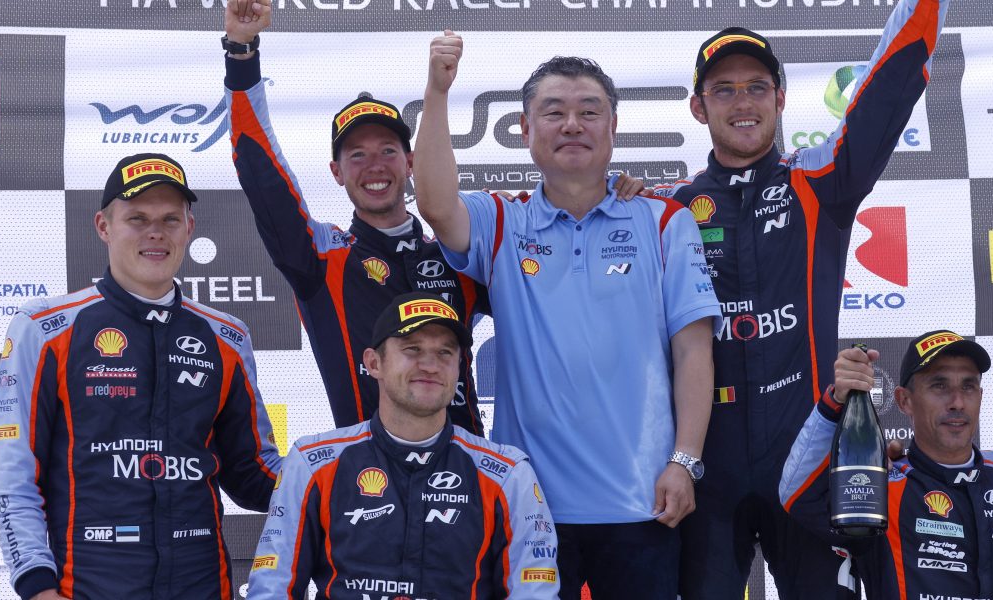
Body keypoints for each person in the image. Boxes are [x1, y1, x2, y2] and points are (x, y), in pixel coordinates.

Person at [646, 0, 949, 594]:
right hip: (705, 459)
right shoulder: (665, 208)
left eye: (757, 87)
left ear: (781, 100)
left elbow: (888, 88)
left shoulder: (816, 183)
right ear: (698, 107)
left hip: (805, 454)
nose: (743, 102)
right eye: (724, 89)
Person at [411, 34, 720, 600]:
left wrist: (685, 462)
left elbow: (694, 351)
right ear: (525, 130)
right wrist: (437, 91)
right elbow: (434, 203)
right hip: (530, 505)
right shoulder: (502, 221)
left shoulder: (664, 220)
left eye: (589, 112)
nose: (572, 125)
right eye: (553, 112)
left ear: (613, 127)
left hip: (643, 503)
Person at [0, 153, 282, 600]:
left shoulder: (227, 336)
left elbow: (252, 474)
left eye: (170, 219)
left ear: (189, 228)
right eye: (137, 218)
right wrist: (35, 583)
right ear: (103, 227)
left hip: (203, 584)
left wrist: (339, 469)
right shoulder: (46, 329)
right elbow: (15, 475)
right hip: (89, 586)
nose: (155, 232)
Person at [222, 0, 491, 432]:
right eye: (357, 155)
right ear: (336, 172)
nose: (375, 167)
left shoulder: (457, 251)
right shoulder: (323, 257)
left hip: (468, 465)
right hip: (367, 470)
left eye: (387, 151)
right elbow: (262, 175)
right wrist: (241, 54)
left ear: (410, 162)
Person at [248, 291, 559, 599]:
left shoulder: (506, 475)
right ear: (374, 363)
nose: (431, 365)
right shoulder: (313, 465)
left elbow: (535, 594)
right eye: (413, 349)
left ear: (459, 367)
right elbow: (271, 589)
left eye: (445, 352)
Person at [781, 331, 993, 597]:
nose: (957, 402)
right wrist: (834, 403)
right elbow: (797, 494)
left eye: (968, 386)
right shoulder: (883, 488)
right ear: (904, 400)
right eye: (939, 385)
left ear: (981, 396)